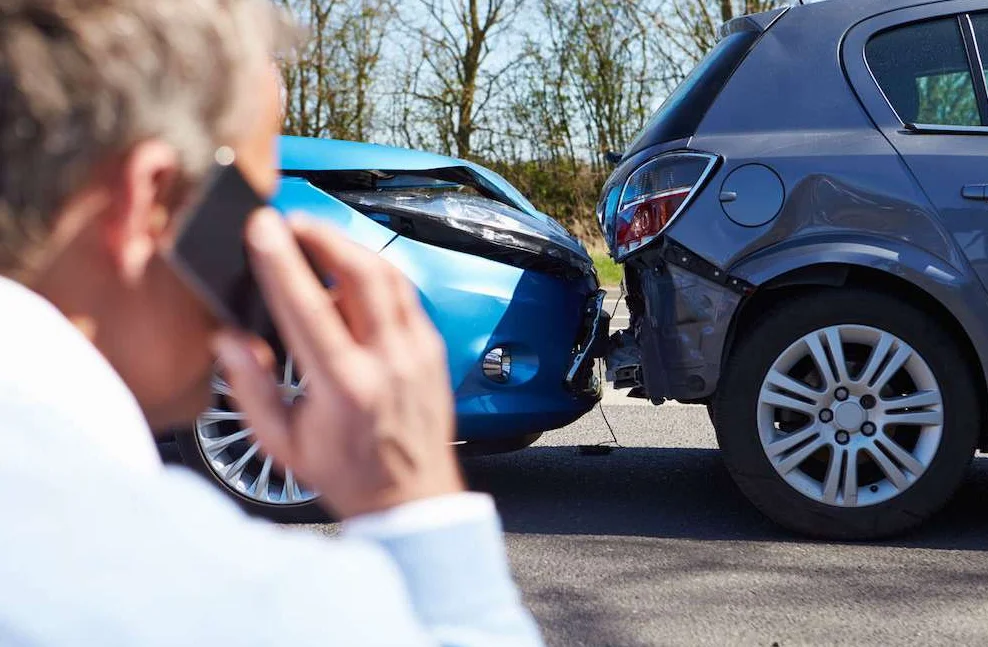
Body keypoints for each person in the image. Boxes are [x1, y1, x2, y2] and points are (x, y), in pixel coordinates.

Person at [0, 1, 543, 645]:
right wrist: (415, 497)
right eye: (250, 205)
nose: (264, 249)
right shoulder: (202, 594)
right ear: (150, 202)